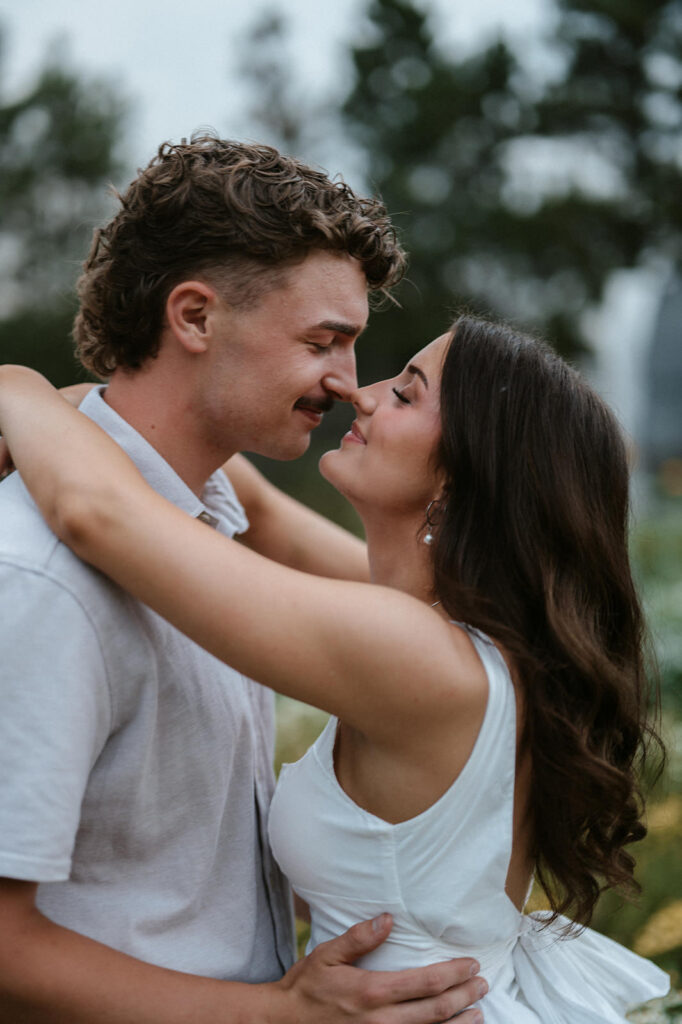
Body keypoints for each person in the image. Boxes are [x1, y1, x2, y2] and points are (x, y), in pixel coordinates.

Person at [0, 314, 671, 1022]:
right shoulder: (466, 630)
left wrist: (14, 382)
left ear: (463, 473)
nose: (363, 393)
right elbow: (245, 498)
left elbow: (96, 513)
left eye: (407, 395)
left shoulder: (411, 653)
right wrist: (89, 397)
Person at [0, 137, 486, 1023]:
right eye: (323, 341)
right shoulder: (38, 579)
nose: (348, 385)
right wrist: (271, 1013)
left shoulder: (216, 535)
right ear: (193, 318)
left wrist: (29, 387)